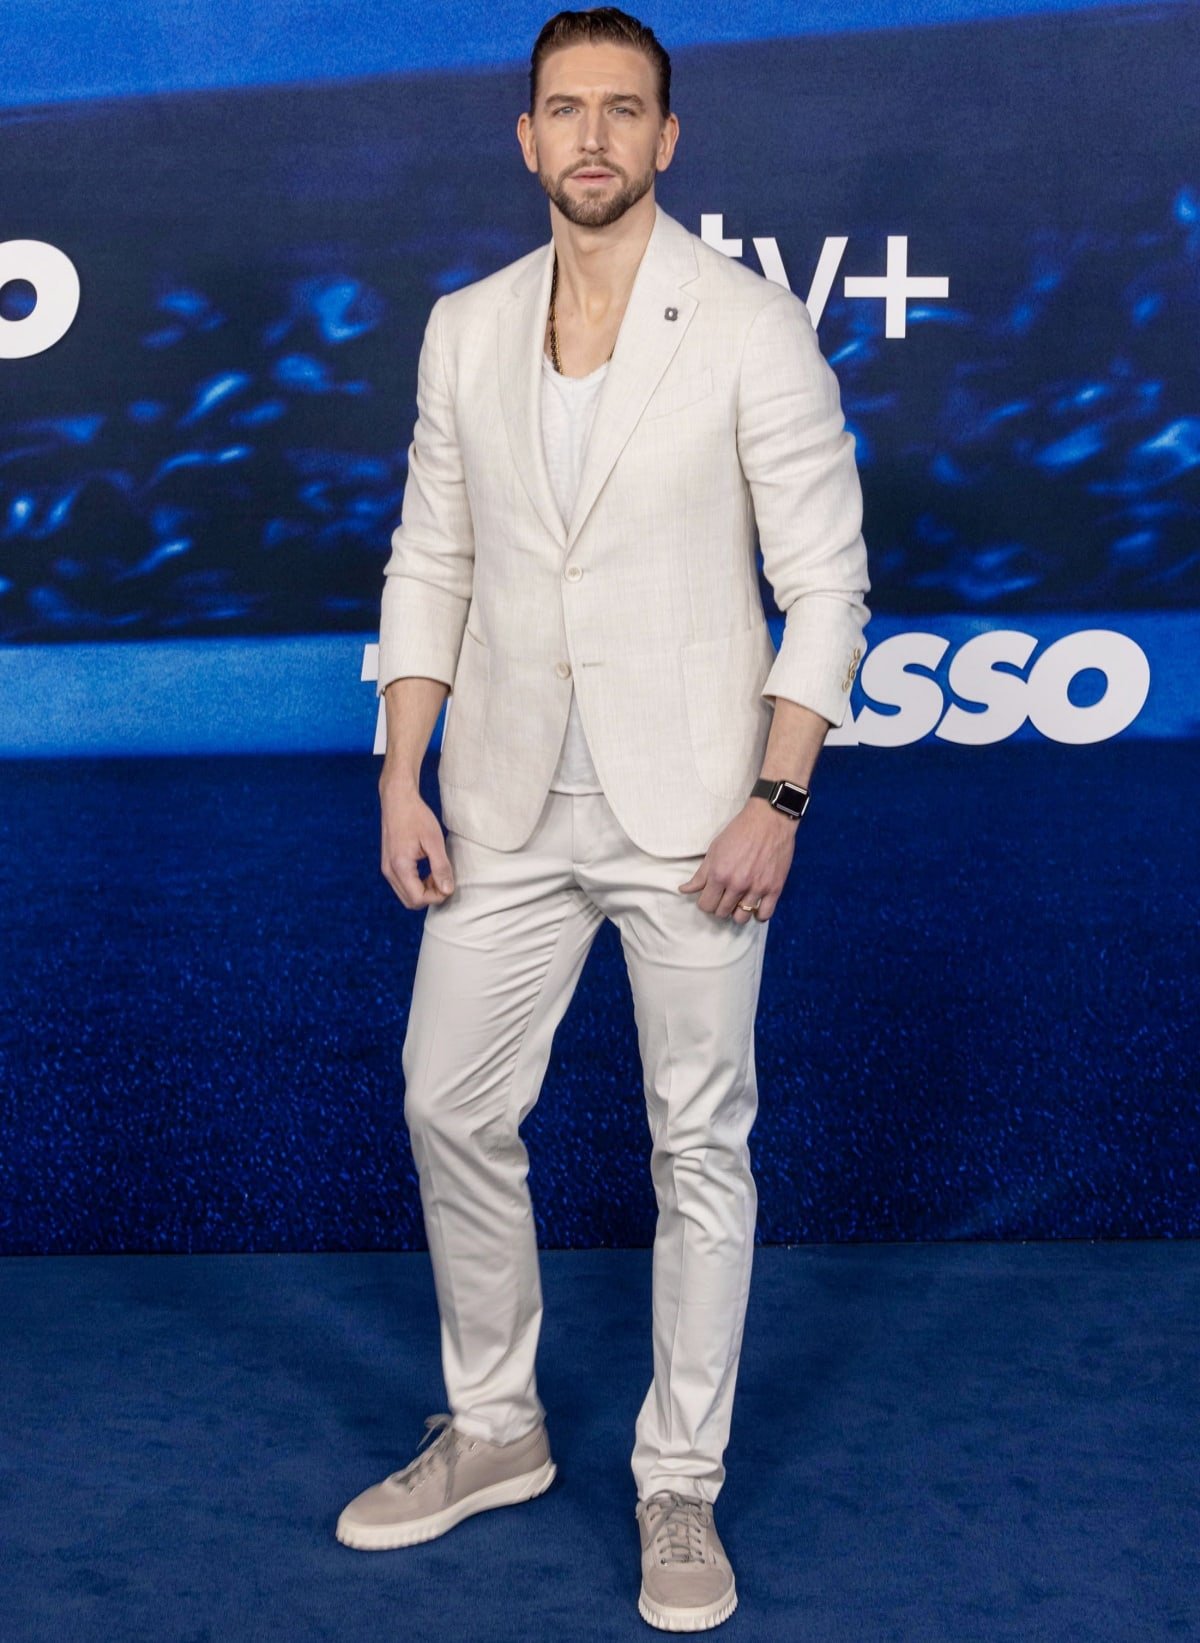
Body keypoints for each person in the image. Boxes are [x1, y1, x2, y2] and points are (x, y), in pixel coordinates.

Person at [335, 6, 869, 1631]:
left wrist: (776, 796)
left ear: (667, 138)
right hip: (499, 799)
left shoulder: (752, 326)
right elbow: (435, 557)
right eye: (563, 110)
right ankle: (493, 1424)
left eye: (621, 112)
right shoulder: (464, 327)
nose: (590, 138)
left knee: (698, 1141)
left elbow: (827, 581)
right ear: (524, 137)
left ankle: (679, 1486)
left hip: (694, 811)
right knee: (445, 1102)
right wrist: (400, 771)